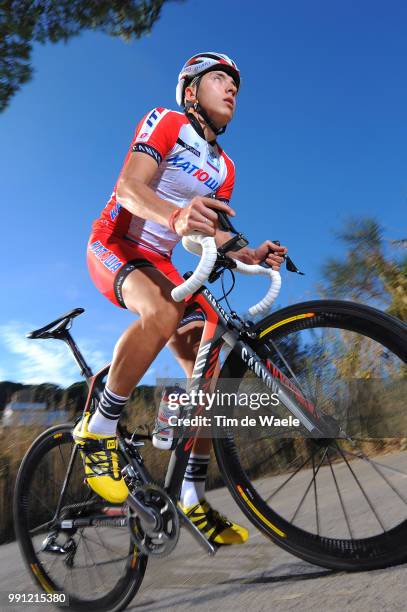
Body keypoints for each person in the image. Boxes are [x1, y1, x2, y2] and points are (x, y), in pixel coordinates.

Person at [73, 52, 287, 545]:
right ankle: (98, 427)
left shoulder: (225, 168)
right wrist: (172, 217)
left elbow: (218, 237)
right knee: (166, 310)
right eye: (219, 78)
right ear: (191, 91)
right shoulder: (166, 120)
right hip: (115, 245)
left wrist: (251, 253)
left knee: (210, 360)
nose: (232, 88)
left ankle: (191, 494)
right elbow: (129, 187)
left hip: (163, 264)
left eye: (236, 83)